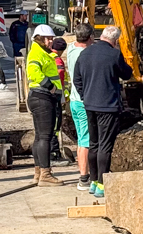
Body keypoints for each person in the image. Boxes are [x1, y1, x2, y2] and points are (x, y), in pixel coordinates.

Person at [73, 25, 134, 198]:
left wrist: (86, 95)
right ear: (115, 41)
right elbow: (126, 74)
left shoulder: (84, 53)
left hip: (89, 105)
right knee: (105, 146)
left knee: (93, 144)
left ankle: (92, 182)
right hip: (108, 106)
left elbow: (77, 79)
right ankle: (101, 184)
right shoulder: (114, 54)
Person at [26, 24, 64, 186]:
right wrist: (51, 87)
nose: (51, 41)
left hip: (39, 97)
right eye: (49, 39)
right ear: (40, 38)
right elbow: (33, 72)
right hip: (43, 97)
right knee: (45, 137)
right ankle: (45, 174)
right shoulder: (37, 53)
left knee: (40, 136)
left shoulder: (41, 52)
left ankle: (38, 172)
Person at [65, 23, 94, 191]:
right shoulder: (85, 54)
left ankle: (87, 172)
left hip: (75, 101)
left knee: (84, 138)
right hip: (83, 102)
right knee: (85, 140)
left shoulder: (70, 49)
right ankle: (84, 177)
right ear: (90, 37)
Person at [51, 37, 69, 166]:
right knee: (55, 126)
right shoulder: (57, 61)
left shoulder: (46, 56)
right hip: (54, 96)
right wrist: (63, 97)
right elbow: (61, 80)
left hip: (47, 96)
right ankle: (54, 153)